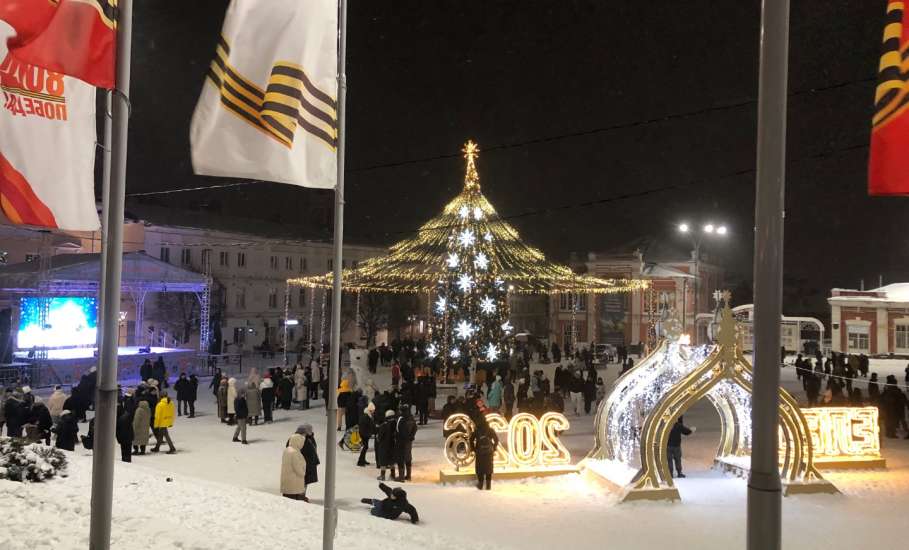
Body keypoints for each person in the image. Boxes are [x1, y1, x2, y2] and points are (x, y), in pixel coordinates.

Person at [470, 419, 499, 490]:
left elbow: (471, 439)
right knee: (489, 468)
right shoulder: (490, 430)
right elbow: (496, 439)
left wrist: (473, 449)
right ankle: (488, 485)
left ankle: (480, 484)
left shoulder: (477, 430)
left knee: (480, 468)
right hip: (489, 452)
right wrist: (494, 448)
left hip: (479, 452)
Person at [281, 432, 309, 500]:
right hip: (294, 484)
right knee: (294, 501)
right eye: (301, 442)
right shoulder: (294, 452)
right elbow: (297, 468)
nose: (302, 445)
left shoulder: (287, 450)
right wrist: (303, 473)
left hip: (288, 482)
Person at [395, 405, 418, 482]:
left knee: (400, 458)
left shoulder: (401, 419)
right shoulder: (411, 417)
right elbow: (415, 428)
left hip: (401, 441)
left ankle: (401, 477)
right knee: (408, 457)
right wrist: (411, 436)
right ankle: (408, 476)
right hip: (409, 441)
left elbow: (399, 430)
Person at [375, 409, 397, 481]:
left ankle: (382, 475)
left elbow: (379, 437)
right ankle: (393, 475)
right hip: (392, 445)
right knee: (391, 460)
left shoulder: (384, 425)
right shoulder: (396, 424)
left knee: (383, 461)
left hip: (384, 446)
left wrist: (378, 437)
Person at [358, 402, 376, 467]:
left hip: (365, 434)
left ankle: (363, 460)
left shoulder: (367, 415)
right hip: (364, 434)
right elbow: (366, 426)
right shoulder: (366, 416)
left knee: (365, 447)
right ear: (370, 410)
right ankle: (360, 461)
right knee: (365, 447)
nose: (374, 411)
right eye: (373, 410)